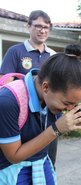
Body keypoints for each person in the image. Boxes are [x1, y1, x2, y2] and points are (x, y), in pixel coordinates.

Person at [0, 44, 81, 184]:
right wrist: (56, 128)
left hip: (41, 163)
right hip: (11, 169)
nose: (69, 109)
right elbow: (14, 156)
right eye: (67, 103)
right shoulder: (8, 101)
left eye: (74, 104)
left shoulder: (51, 98)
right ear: (46, 87)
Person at [0, 10, 59, 168]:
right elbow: (5, 82)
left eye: (46, 27)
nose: (42, 30)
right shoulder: (16, 51)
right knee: (19, 162)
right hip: (22, 119)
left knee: (48, 159)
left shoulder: (53, 56)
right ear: (28, 27)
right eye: (38, 26)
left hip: (48, 116)